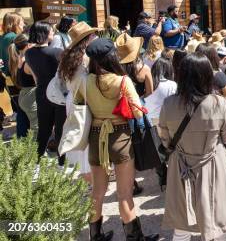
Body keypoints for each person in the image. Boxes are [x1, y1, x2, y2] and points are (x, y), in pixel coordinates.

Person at [159, 54, 226, 241]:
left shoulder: (169, 104)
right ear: (206, 75)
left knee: (182, 223)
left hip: (181, 165)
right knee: (219, 220)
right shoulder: (219, 103)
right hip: (213, 163)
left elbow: (165, 139)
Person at [75, 38, 158, 241]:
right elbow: (138, 113)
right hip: (120, 137)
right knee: (124, 194)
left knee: (97, 192)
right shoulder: (122, 81)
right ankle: (134, 237)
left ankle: (95, 235)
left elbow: (79, 106)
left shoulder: (84, 82)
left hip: (95, 137)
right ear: (112, 56)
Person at [57, 21, 100, 183]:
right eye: (92, 35)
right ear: (86, 39)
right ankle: (91, 179)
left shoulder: (67, 57)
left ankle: (85, 177)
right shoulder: (86, 58)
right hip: (84, 99)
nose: (95, 36)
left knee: (78, 134)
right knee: (87, 138)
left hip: (72, 99)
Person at [24, 21, 66, 165]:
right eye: (51, 31)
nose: (53, 33)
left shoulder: (28, 53)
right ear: (44, 33)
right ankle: (62, 163)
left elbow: (35, 77)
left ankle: (36, 162)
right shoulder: (56, 53)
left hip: (41, 92)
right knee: (60, 130)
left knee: (44, 130)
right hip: (59, 94)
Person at [8, 34, 37, 137]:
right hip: (31, 96)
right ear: (28, 45)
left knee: (24, 126)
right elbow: (37, 81)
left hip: (23, 95)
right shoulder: (28, 61)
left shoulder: (19, 59)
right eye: (33, 42)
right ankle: (37, 151)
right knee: (36, 126)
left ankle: (25, 148)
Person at [116, 33, 153, 98]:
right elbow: (149, 92)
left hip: (121, 104)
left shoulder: (116, 68)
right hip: (137, 103)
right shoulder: (145, 69)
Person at [143, 57, 176, 125]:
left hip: (149, 122)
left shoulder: (148, 84)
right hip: (167, 122)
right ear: (169, 70)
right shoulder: (172, 85)